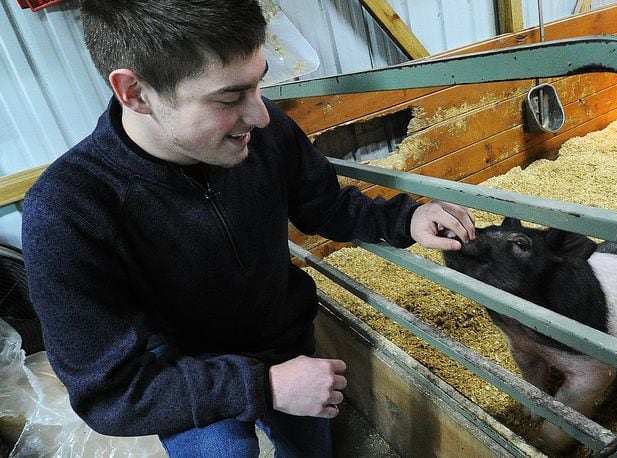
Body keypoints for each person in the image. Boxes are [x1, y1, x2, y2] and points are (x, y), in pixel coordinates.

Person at [21, 1, 476, 456]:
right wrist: (265, 386)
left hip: (285, 339)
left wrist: (404, 218)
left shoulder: (264, 130)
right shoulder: (68, 210)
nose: (260, 114)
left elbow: (325, 205)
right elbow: (111, 394)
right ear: (136, 92)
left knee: (310, 448)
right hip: (182, 370)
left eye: (258, 82)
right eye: (228, 97)